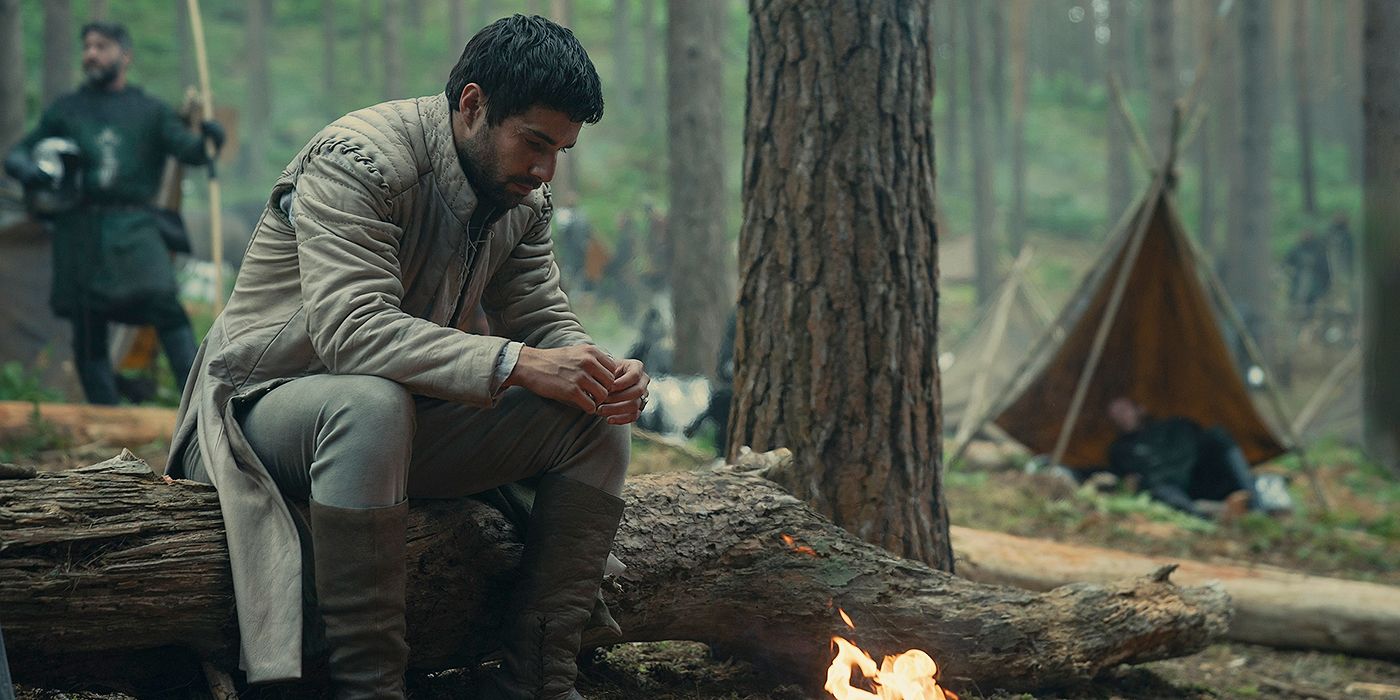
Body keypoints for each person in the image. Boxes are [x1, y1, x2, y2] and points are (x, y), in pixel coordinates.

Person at [164, 15, 649, 699]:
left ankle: (539, 680)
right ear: (473, 105)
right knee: (369, 404)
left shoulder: (521, 199)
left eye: (560, 151)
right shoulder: (357, 160)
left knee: (594, 421)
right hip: (259, 413)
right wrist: (515, 362)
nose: (544, 171)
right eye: (534, 143)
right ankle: (369, 688)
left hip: (397, 426)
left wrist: (601, 371)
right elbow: (350, 331)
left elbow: (543, 319)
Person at [2, 21, 224, 405]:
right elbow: (18, 153)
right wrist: (28, 170)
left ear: (125, 56)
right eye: (87, 46)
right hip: (80, 229)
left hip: (134, 227)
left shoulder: (150, 111)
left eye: (101, 46)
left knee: (165, 307)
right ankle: (106, 419)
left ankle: (202, 406)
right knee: (87, 325)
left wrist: (210, 137)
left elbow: (191, 151)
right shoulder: (67, 110)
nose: (90, 53)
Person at [1105, 398, 1261, 519]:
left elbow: (1205, 443)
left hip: (1201, 479)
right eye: (1114, 414)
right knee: (1158, 489)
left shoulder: (1174, 427)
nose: (1120, 417)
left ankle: (1256, 506)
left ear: (1140, 409)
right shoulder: (1119, 450)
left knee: (1218, 435)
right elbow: (1127, 481)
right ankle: (1208, 516)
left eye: (1123, 410)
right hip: (1170, 490)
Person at [1283, 229, 1332, 321]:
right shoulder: (1297, 249)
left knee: (1311, 306)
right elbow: (1287, 262)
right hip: (1299, 282)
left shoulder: (1319, 251)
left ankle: (1308, 322)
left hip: (1314, 285)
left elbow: (1325, 271)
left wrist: (1325, 286)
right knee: (1296, 303)